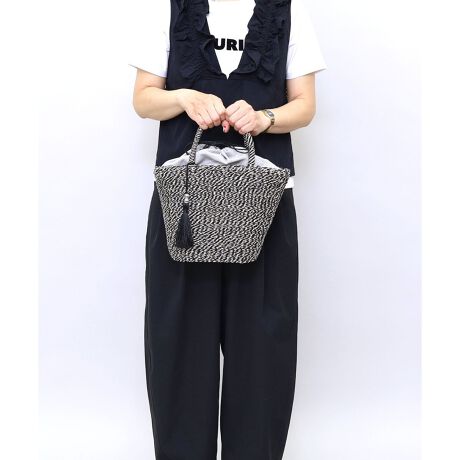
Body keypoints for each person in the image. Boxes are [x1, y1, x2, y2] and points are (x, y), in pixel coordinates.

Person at [130, 0, 327, 458]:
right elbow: (143, 99)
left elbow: (305, 106)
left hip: (263, 203)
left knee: (263, 352)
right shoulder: (170, 8)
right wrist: (183, 98)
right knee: (179, 350)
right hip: (184, 207)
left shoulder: (288, 11)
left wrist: (264, 118)